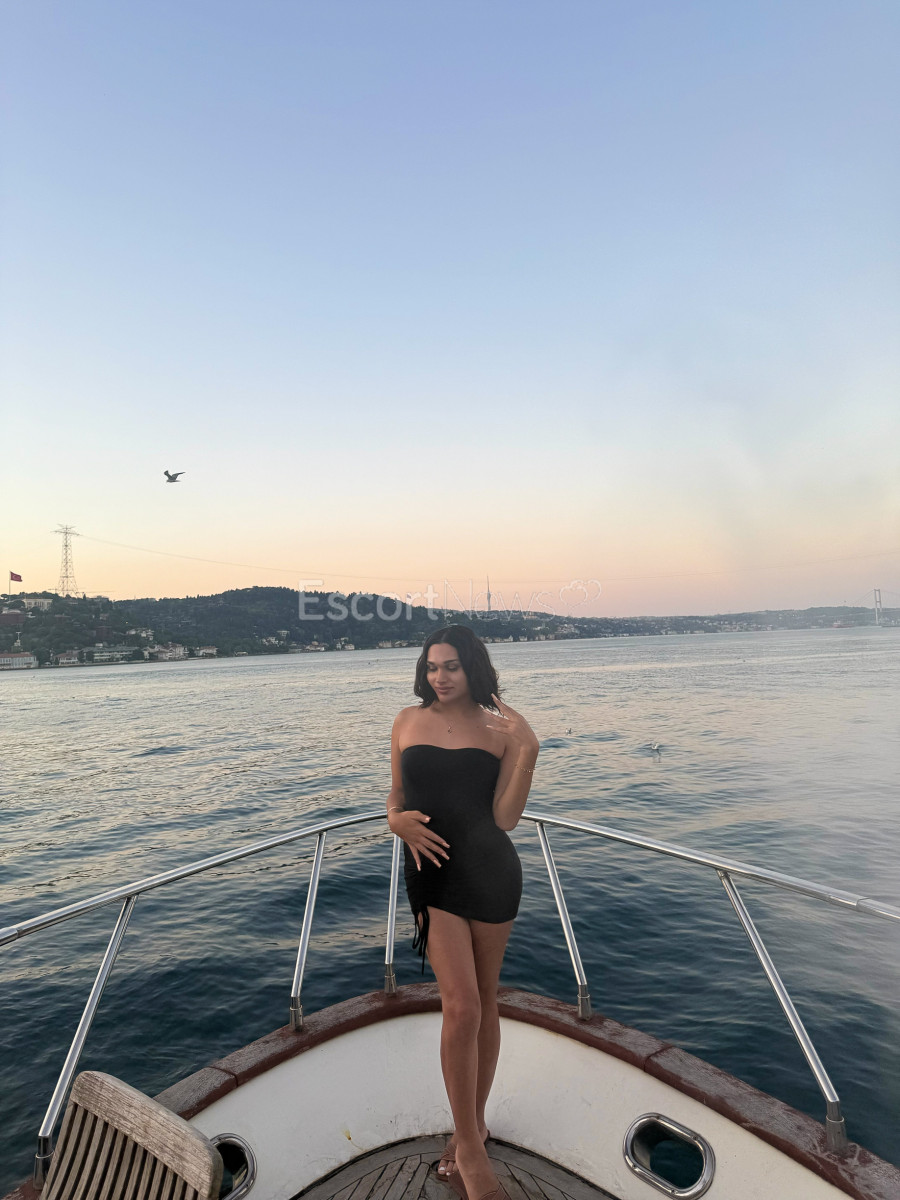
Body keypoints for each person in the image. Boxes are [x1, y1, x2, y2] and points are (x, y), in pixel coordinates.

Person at [386, 626, 539, 1200]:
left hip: (491, 872)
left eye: (450, 666)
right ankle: (472, 1151)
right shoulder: (407, 721)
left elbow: (505, 819)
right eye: (431, 667)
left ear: (472, 667)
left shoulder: (501, 730)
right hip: (431, 873)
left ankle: (470, 1126)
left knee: (486, 1002)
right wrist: (394, 820)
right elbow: (396, 794)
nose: (440, 677)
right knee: (462, 1005)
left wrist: (529, 750)